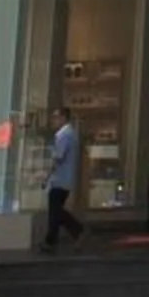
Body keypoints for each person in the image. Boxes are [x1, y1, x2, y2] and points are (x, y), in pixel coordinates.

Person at [43, 107, 86, 253]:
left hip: (60, 179)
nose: (53, 121)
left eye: (56, 117)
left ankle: (77, 230)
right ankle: (51, 240)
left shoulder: (64, 135)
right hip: (64, 178)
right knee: (56, 211)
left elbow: (58, 157)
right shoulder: (70, 134)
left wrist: (47, 175)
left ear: (63, 118)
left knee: (56, 211)